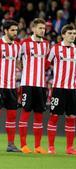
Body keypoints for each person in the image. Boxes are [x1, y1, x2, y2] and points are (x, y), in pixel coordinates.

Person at [0, 20, 21, 152]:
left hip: (12, 86)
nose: (15, 33)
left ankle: (11, 145)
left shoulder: (17, 46)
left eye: (16, 30)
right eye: (12, 30)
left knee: (12, 116)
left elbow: (17, 62)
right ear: (5, 31)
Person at [18, 18, 50, 154]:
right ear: (33, 29)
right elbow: (17, 59)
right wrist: (23, 70)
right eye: (40, 28)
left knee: (39, 115)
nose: (42, 30)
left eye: (44, 28)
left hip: (41, 85)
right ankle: (23, 145)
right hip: (27, 84)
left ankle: (37, 146)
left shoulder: (46, 44)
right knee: (25, 112)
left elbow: (47, 62)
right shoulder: (24, 43)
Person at [46, 24, 76, 155]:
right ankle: (51, 147)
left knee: (71, 117)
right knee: (54, 116)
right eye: (70, 33)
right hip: (58, 88)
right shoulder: (55, 49)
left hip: (72, 89)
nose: (73, 35)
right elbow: (46, 64)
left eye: (74, 33)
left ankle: (69, 148)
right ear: (63, 35)